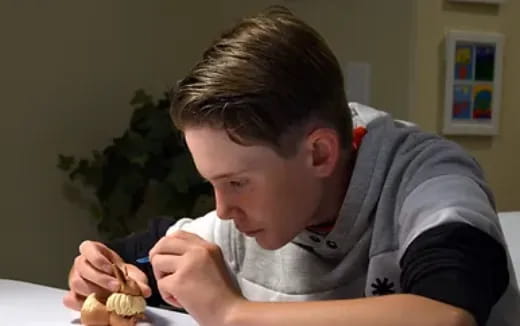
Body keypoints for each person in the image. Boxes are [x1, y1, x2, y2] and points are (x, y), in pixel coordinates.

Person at [63, 6, 519, 326]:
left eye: (238, 182)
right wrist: (101, 271)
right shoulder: (245, 217)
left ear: (319, 153)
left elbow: (447, 315)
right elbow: (131, 257)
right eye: (214, 184)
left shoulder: (433, 183)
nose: (222, 211)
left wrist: (231, 313)